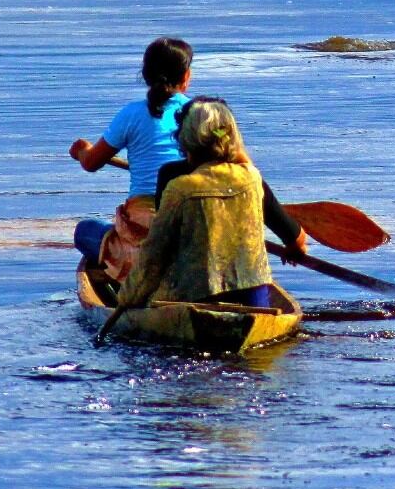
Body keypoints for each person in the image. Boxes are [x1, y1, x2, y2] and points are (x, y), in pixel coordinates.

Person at [118, 99, 278, 310]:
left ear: (186, 140)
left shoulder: (180, 188)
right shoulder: (252, 177)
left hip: (196, 297)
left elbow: (154, 255)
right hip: (254, 298)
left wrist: (127, 299)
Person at [70, 37, 193, 280]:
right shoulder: (203, 114)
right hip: (192, 217)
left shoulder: (131, 114)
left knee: (84, 231)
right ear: (186, 77)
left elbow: (91, 163)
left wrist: (82, 150)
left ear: (146, 76)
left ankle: (125, 265)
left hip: (144, 223)